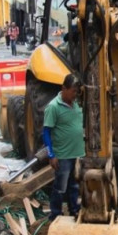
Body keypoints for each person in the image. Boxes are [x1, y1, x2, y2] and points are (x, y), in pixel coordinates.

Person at [43, 74, 85, 221]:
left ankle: (74, 210)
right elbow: (46, 132)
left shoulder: (77, 104)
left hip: (77, 153)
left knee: (74, 186)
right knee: (60, 187)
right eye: (73, 91)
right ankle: (55, 214)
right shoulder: (53, 107)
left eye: (76, 92)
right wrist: (51, 155)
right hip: (63, 155)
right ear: (64, 89)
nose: (75, 95)